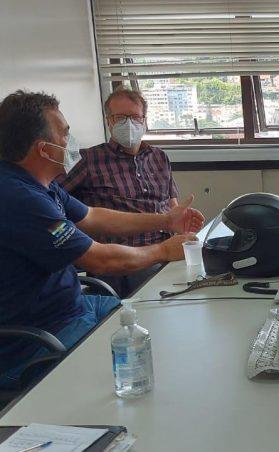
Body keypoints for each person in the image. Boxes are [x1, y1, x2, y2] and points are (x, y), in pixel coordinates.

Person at [0, 91, 204, 388]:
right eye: (65, 133)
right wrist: (163, 250)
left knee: (159, 330)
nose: (71, 142)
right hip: (38, 341)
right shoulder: (19, 197)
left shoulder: (40, 185)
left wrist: (165, 221)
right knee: (149, 361)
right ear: (43, 149)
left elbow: (94, 216)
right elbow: (100, 260)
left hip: (76, 307)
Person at [58, 87, 185, 296]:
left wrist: (184, 227)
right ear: (109, 122)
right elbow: (49, 196)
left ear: (144, 121)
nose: (129, 124)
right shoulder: (88, 160)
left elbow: (172, 205)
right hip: (127, 262)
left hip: (168, 251)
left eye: (135, 117)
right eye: (120, 118)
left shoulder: (159, 157)